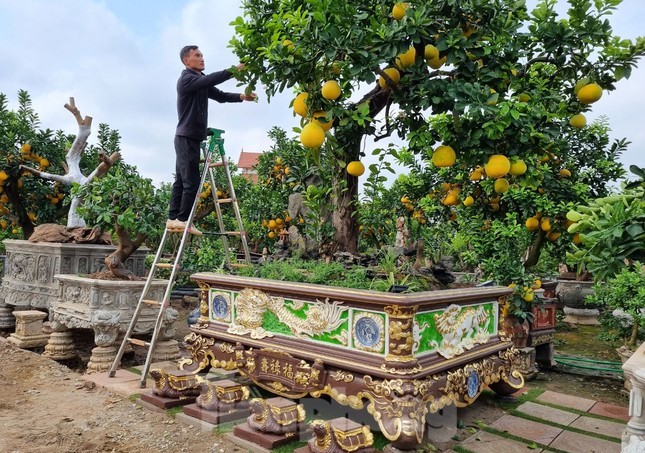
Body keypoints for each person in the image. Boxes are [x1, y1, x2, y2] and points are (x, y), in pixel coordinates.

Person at [167, 45, 257, 235]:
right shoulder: (187, 79)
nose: (202, 58)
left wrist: (242, 96)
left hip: (191, 137)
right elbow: (211, 79)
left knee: (182, 179)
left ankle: (173, 219)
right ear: (186, 60)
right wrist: (235, 70)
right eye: (197, 55)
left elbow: (220, 96)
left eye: (202, 55)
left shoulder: (199, 81)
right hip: (186, 136)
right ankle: (182, 219)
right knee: (190, 180)